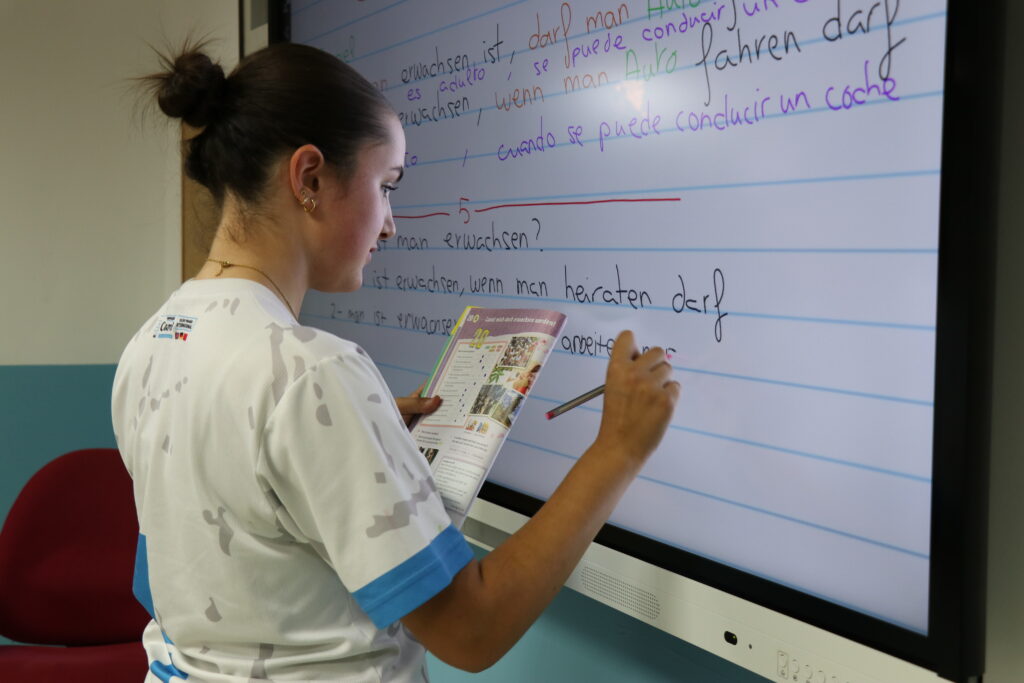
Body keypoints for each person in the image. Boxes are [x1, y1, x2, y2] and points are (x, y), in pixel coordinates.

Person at [112, 42, 680, 681]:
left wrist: (355, 445)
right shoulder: (312, 374)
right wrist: (618, 450)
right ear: (310, 178)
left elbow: (178, 574)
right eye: (386, 187)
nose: (391, 225)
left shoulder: (154, 341)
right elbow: (472, 629)